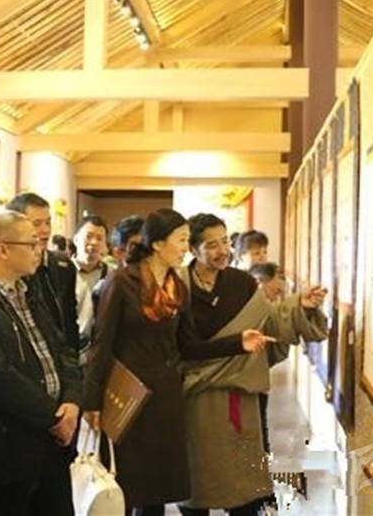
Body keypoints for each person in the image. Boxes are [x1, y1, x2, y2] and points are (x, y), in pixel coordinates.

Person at [83, 209, 274, 515]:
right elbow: (101, 345)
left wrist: (238, 342)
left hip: (167, 398)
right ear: (158, 244)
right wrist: (92, 402)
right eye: (182, 240)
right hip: (130, 397)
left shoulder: (176, 287)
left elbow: (189, 346)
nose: (186, 248)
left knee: (157, 489)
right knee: (128, 487)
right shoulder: (122, 283)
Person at [179, 214, 326, 516]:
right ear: (193, 249)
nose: (223, 251)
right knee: (196, 482)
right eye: (212, 245)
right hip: (194, 397)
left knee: (243, 485)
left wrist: (299, 305)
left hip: (239, 395)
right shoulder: (178, 285)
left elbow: (270, 323)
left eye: (225, 242)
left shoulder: (241, 283)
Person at [0, 211, 83, 515]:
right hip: (10, 446)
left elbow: (62, 350)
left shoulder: (30, 291)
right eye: (31, 244)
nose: (39, 251)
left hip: (54, 439)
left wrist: (72, 401)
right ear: (3, 249)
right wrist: (54, 418)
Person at [7, 193, 79, 354]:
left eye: (48, 222)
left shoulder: (63, 265)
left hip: (61, 355)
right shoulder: (11, 268)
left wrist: (72, 356)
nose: (45, 230)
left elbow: (70, 318)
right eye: (37, 224)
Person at [72, 215, 109, 363]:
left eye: (100, 238)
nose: (94, 243)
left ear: (105, 245)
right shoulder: (62, 273)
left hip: (99, 354)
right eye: (89, 236)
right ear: (76, 240)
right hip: (70, 352)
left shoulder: (111, 276)